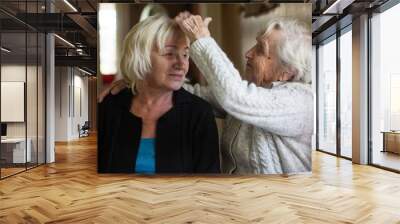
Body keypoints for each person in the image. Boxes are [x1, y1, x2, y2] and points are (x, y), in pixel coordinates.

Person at [100, 13, 313, 175]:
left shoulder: (301, 103)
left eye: (260, 49)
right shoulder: (111, 107)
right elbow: (192, 93)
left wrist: (202, 38)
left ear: (287, 72)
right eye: (168, 53)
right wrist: (136, 80)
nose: (248, 53)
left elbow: (235, 96)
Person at [97, 15, 220, 173]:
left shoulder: (199, 113)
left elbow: (208, 187)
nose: (181, 64)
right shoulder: (108, 107)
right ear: (140, 56)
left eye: (185, 55)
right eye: (169, 54)